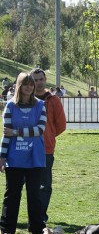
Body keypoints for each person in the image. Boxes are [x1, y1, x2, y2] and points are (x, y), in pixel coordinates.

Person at [0, 72, 47, 234]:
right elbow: (6, 134)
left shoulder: (41, 105)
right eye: (26, 84)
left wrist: (17, 132)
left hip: (35, 157)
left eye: (31, 84)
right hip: (15, 157)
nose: (29, 87)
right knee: (12, 194)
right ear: (19, 86)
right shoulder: (10, 107)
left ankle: (36, 228)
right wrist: (2, 157)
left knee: (34, 194)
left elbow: (39, 130)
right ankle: (6, 229)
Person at [31, 68, 66, 222]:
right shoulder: (25, 98)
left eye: (41, 79)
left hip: (46, 149)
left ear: (45, 80)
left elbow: (61, 125)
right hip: (24, 148)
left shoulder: (53, 100)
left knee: (44, 185)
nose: (38, 83)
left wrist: (49, 136)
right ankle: (13, 217)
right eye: (35, 80)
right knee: (18, 184)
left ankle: (40, 216)